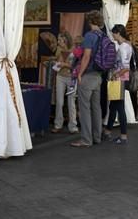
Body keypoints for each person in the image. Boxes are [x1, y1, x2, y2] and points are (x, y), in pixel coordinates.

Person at [71, 10, 105, 147]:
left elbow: (86, 56)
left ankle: (86, 139)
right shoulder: (103, 35)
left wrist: (80, 73)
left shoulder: (89, 36)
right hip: (99, 75)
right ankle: (97, 137)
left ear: (90, 21)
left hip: (88, 75)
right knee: (96, 107)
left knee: (84, 108)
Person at [103, 24, 132, 145]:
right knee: (114, 107)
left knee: (119, 107)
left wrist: (115, 75)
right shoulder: (125, 46)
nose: (113, 35)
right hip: (120, 79)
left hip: (118, 79)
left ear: (118, 33)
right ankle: (107, 131)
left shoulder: (123, 47)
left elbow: (126, 67)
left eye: (114, 33)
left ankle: (123, 135)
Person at [51, 32, 78, 134]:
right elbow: (57, 62)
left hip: (71, 78)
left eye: (59, 40)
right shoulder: (58, 50)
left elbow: (75, 66)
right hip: (60, 77)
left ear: (65, 40)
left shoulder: (74, 50)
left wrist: (64, 64)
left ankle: (73, 126)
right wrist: (56, 62)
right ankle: (58, 124)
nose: (58, 42)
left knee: (71, 102)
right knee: (59, 102)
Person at [128, 42, 138, 119]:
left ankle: (132, 115)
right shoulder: (133, 48)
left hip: (130, 74)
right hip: (134, 74)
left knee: (131, 95)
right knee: (133, 95)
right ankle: (134, 115)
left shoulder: (128, 47)